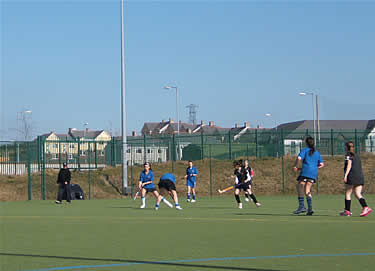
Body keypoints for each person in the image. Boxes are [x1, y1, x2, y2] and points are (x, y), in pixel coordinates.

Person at [293, 136, 324, 215]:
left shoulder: (305, 150)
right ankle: (310, 209)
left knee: (300, 186)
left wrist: (295, 166)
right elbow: (321, 164)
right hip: (313, 173)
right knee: (307, 190)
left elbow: (299, 158)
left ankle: (302, 206)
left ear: (306, 143)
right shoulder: (317, 153)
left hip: (305, 172)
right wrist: (313, 167)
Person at [340, 141, 372, 217]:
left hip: (352, 176)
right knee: (358, 193)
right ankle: (365, 207)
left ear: (346, 147)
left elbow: (349, 165)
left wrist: (346, 176)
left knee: (348, 193)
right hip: (359, 176)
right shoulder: (357, 155)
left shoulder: (348, 155)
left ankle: (347, 211)